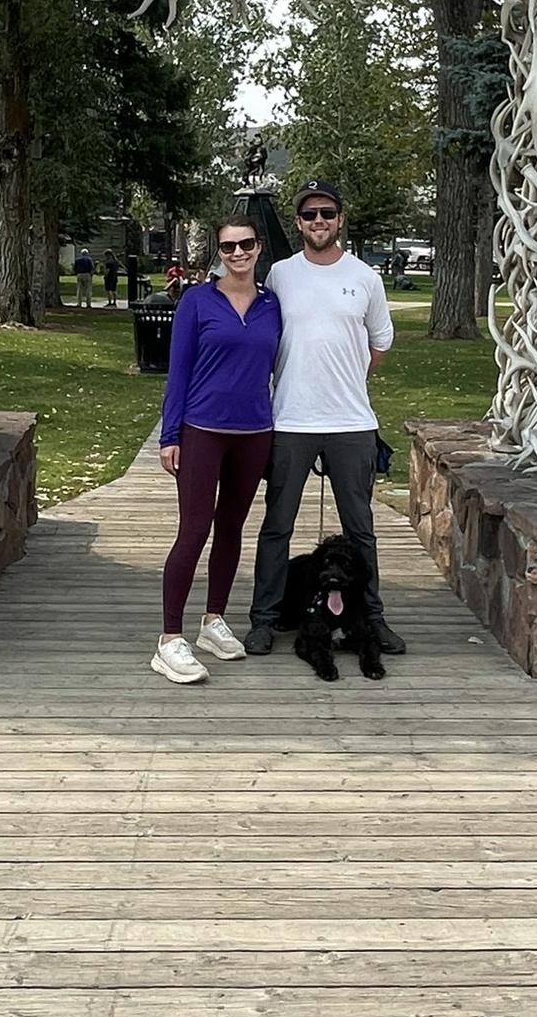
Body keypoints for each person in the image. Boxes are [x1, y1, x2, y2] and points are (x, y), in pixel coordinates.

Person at [246, 180, 405, 656]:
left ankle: (371, 617)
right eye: (310, 214)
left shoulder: (366, 277)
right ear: (298, 222)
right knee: (277, 525)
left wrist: (347, 379)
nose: (319, 221)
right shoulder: (280, 275)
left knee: (361, 529)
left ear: (340, 219)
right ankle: (264, 619)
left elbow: (380, 343)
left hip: (351, 424)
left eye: (327, 213)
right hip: (291, 422)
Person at [151, 217, 282, 685]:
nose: (238, 253)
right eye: (228, 247)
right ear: (219, 252)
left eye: (245, 244)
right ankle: (170, 639)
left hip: (255, 431)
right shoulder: (197, 301)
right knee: (194, 530)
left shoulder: (272, 305)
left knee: (231, 528)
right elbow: (179, 371)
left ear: (258, 247)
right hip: (202, 430)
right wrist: (170, 435)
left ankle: (213, 620)